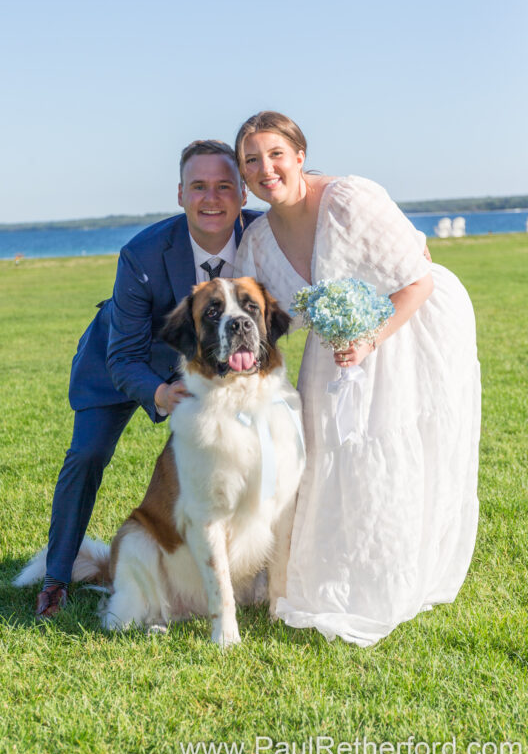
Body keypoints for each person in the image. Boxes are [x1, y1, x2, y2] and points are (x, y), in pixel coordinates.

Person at [234, 111, 480, 647]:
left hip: (407, 326)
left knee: (389, 446)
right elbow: (248, 318)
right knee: (328, 455)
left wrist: (371, 339)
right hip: (334, 347)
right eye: (251, 160)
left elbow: (417, 279)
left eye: (276, 154)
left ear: (299, 155)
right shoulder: (254, 243)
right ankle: (330, 573)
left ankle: (392, 573)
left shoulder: (349, 199)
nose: (265, 168)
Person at [35, 140, 260, 618]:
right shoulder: (141, 253)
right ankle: (56, 578)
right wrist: (159, 392)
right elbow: (122, 354)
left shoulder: (264, 234)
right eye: (199, 187)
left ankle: (251, 570)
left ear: (243, 193)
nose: (211, 198)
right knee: (88, 453)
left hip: (212, 368)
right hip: (123, 363)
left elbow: (316, 234)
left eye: (224, 186)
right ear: (181, 194)